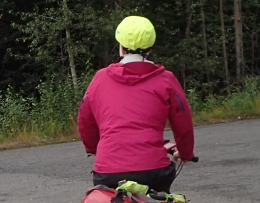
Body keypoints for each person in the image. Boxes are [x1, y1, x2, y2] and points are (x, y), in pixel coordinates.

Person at [77, 15, 195, 193]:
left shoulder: (100, 79)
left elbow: (85, 119)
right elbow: (183, 121)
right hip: (154, 170)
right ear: (150, 47)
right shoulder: (166, 80)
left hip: (108, 171)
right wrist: (185, 152)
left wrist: (94, 148)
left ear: (121, 48)